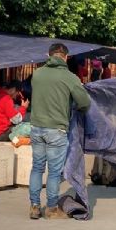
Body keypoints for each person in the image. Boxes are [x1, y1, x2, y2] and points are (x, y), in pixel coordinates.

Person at [28, 43, 91, 220]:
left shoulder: (37, 74)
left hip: (36, 127)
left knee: (37, 167)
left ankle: (34, 206)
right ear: (65, 57)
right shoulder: (69, 77)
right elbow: (84, 102)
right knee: (54, 172)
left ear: (48, 55)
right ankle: (52, 208)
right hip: (56, 129)